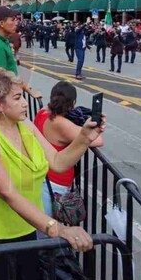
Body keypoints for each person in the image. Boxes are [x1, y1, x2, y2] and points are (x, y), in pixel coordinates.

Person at [0, 68, 104, 280]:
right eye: (17, 98)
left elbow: (58, 162)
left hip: (29, 224)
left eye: (23, 96)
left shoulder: (25, 125)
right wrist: (57, 228)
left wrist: (84, 139)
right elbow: (8, 194)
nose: (25, 103)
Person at [34, 81, 104, 216]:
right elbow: (99, 140)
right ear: (72, 103)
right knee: (49, 227)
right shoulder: (62, 124)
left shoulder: (42, 113)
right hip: (55, 183)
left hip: (43, 176)